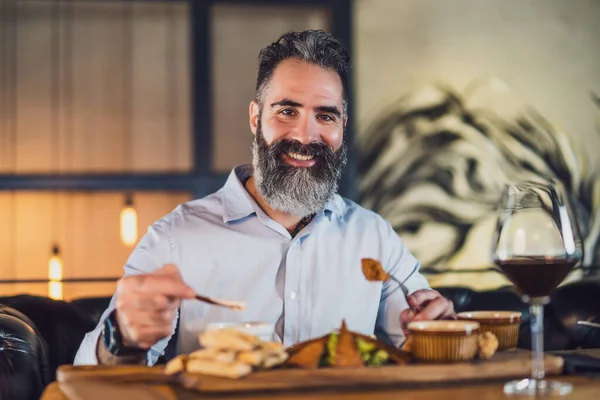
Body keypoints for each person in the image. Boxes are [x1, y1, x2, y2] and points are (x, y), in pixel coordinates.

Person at [74, 30, 455, 366]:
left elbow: (424, 345)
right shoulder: (176, 237)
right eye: (287, 111)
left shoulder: (375, 238)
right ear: (255, 118)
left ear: (342, 127)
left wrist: (439, 331)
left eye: (325, 116)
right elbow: (89, 377)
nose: (306, 137)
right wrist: (121, 336)